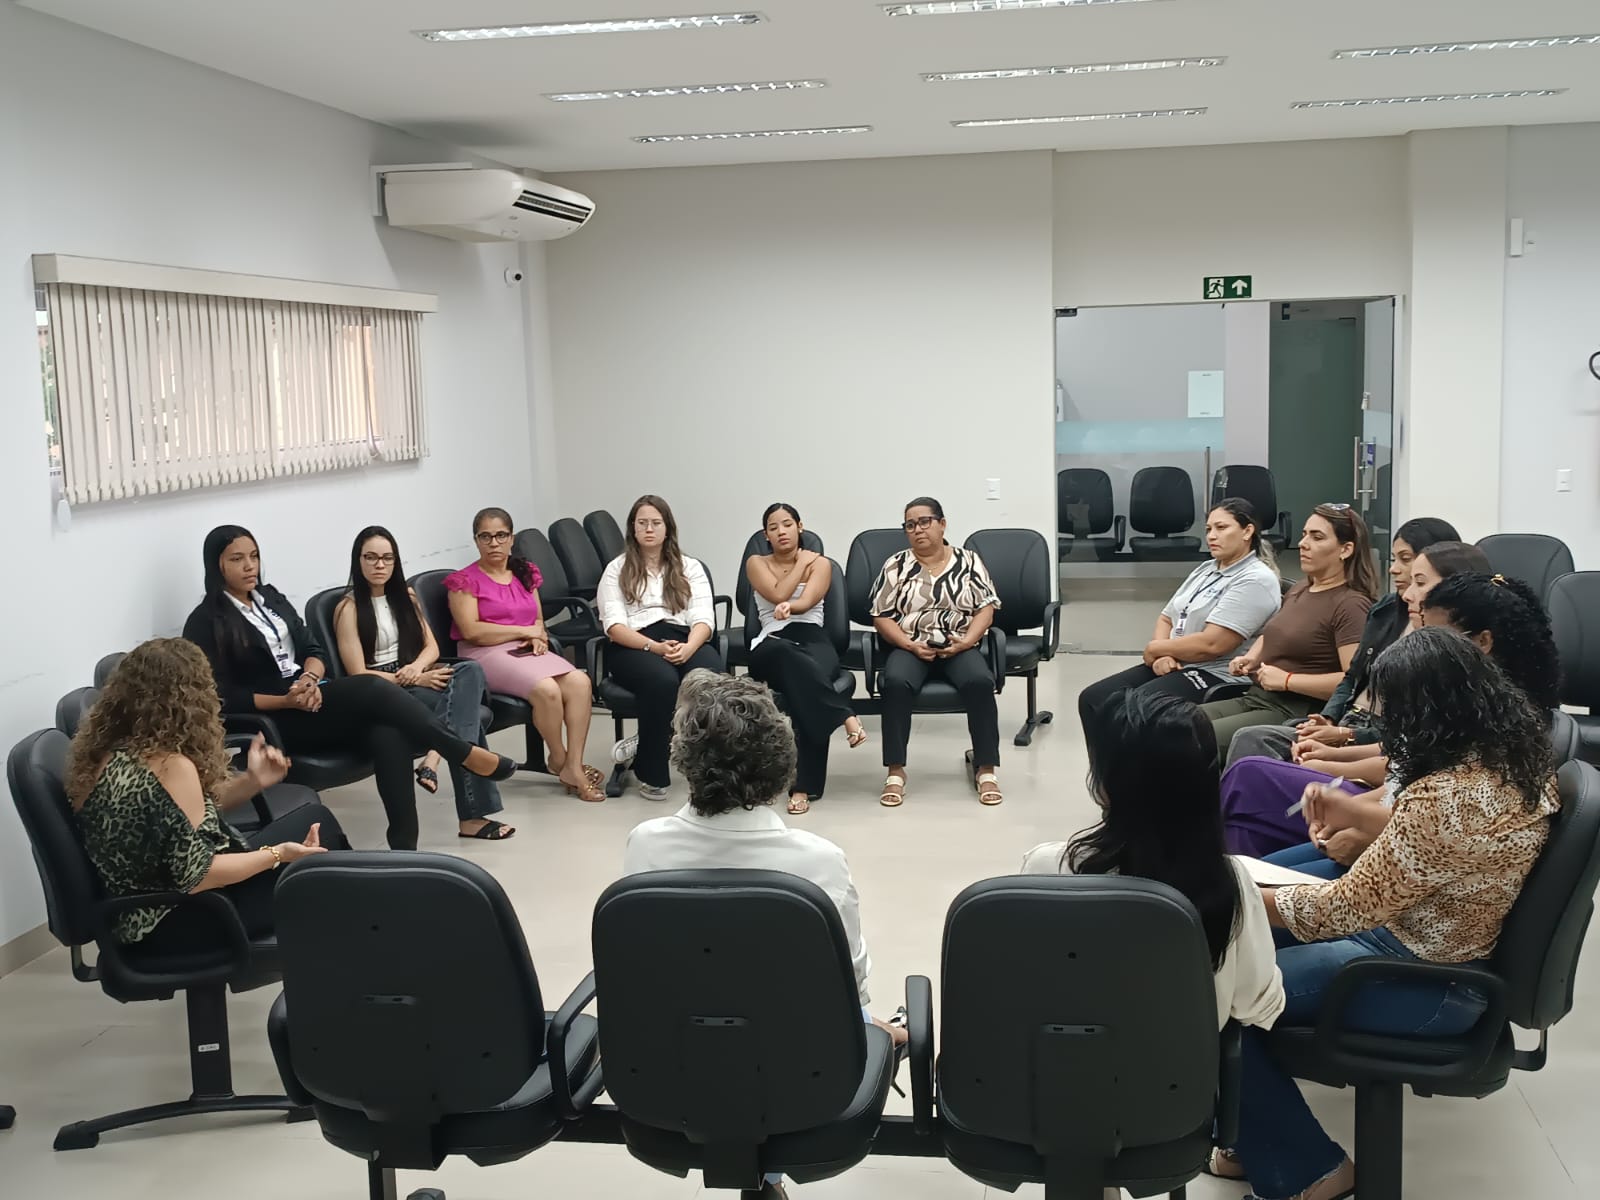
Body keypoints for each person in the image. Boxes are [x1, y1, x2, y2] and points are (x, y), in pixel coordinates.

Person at [1217, 628, 1558, 1200]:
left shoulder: (1444, 796)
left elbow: (1335, 913)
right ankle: (1253, 1136)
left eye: (1393, 716)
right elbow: (1448, 846)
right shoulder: (1511, 757)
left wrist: (1227, 898)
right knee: (1237, 955)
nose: (1385, 729)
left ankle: (1309, 1171)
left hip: (1422, 981)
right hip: (1444, 955)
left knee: (1213, 997)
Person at [183, 525, 516, 850]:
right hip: (277, 720)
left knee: (388, 732)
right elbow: (222, 696)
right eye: (237, 559)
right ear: (217, 565)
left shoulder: (270, 598)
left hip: (312, 695)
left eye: (254, 556)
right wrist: (285, 700)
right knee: (370, 685)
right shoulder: (205, 621)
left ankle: (404, 849)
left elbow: (314, 651)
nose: (249, 566)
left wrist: (309, 679)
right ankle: (460, 751)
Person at [622, 671, 908, 1042]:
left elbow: (640, 965)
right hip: (799, 1069)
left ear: (682, 756)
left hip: (679, 1058)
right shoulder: (819, 861)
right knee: (860, 1015)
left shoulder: (645, 844)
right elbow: (848, 982)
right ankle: (893, 1033)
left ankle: (887, 1030)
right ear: (781, 759)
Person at [1254, 572, 1563, 877]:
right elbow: (1408, 772)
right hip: (1395, 831)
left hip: (1409, 870)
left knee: (1251, 870)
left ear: (1482, 641)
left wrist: (1357, 816)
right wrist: (1351, 811)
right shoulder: (1464, 700)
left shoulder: (1497, 729)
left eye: (1438, 637)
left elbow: (1438, 819)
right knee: (1257, 872)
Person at [1022, 688, 1285, 1031]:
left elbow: (1023, 981)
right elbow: (1257, 1007)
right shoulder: (1228, 881)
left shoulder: (1048, 867)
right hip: (1177, 1078)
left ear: (1106, 785)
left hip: (1055, 1068)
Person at [1219, 546, 1502, 859]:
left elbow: (1414, 782)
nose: (1405, 585)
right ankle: (1233, 887)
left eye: (1419, 579)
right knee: (1250, 831)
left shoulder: (1473, 693)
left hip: (1394, 822)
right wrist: (1329, 727)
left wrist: (1347, 791)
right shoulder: (1388, 615)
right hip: (1378, 786)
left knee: (1248, 775)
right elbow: (1396, 741)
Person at [66, 638, 347, 952]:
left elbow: (185, 816)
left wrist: (252, 781)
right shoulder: (171, 766)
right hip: (179, 920)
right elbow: (198, 876)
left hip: (140, 912)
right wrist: (278, 854)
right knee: (324, 871)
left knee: (316, 822)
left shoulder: (103, 755)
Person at [1223, 517, 1461, 768]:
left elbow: (1413, 736)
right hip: (1346, 720)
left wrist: (1344, 736)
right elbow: (1352, 676)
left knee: (1253, 742)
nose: (1394, 569)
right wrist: (1329, 718)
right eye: (1394, 559)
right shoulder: (1387, 609)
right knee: (1251, 738)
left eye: (1406, 559)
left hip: (1371, 736)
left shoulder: (1443, 640)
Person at [333, 525, 516, 840]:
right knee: (466, 714)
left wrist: (417, 669)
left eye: (387, 558)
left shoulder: (406, 596)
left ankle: (434, 757)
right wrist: (407, 677)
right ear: (358, 561)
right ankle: (471, 816)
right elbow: (357, 673)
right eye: (371, 558)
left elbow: (431, 647)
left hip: (415, 673)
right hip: (380, 688)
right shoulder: (348, 609)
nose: (379, 565)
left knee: (470, 671)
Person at [1077, 498, 1282, 759]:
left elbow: (1213, 645)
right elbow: (1167, 617)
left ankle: (1135, 787)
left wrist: (1155, 649)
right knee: (1095, 699)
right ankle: (1109, 781)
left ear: (1247, 531)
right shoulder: (1207, 568)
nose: (1211, 536)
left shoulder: (1256, 579)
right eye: (1208, 529)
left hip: (1216, 673)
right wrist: (1163, 656)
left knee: (1134, 709)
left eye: (1221, 528)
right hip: (1177, 661)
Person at [446, 507, 603, 804]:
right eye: (486, 536)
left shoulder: (524, 573)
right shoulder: (463, 581)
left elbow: (538, 621)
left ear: (511, 538)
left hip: (525, 648)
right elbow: (472, 631)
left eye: (501, 535)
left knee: (580, 683)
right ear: (476, 540)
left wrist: (539, 638)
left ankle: (573, 763)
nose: (494, 543)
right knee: (547, 689)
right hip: (484, 654)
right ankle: (559, 759)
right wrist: (524, 632)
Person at [1196, 504, 1378, 754]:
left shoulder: (1351, 604)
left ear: (1345, 549)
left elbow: (1353, 682)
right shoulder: (1301, 589)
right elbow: (1273, 631)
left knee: (1191, 741)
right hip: (1255, 698)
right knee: (1166, 725)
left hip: (1290, 712)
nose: (1303, 543)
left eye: (1317, 537)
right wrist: (1251, 658)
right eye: (1304, 535)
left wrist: (1288, 681)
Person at [871, 497, 1003, 807]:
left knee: (980, 682)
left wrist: (968, 641)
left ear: (942, 524)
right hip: (911, 644)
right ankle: (895, 771)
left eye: (924, 522)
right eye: (910, 525)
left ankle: (986, 769)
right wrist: (907, 644)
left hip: (958, 643)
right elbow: (881, 615)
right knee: (895, 683)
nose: (917, 530)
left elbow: (986, 607)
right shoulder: (896, 564)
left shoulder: (968, 560)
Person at [596, 494, 721, 801]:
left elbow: (704, 618)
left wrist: (690, 647)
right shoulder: (616, 569)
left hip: (684, 637)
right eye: (642, 523)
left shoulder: (689, 567)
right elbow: (614, 626)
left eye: (656, 523)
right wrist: (654, 647)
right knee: (662, 681)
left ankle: (712, 770)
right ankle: (651, 772)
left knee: (711, 679)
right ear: (633, 529)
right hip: (636, 644)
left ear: (668, 528)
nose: (649, 529)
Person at [745, 502, 866, 815]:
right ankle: (843, 714)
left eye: (787, 524)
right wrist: (800, 564)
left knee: (805, 687)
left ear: (800, 527)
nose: (781, 531)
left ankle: (802, 787)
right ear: (766, 535)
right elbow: (776, 594)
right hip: (771, 642)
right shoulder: (756, 562)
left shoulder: (822, 564)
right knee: (789, 656)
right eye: (773, 527)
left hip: (813, 638)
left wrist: (793, 607)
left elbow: (809, 599)